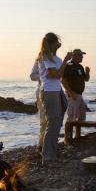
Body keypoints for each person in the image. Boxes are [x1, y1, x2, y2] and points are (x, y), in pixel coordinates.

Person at [36, 33, 72, 162]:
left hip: (57, 90)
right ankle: (48, 156)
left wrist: (64, 61)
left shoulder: (56, 58)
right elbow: (55, 75)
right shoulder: (45, 56)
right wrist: (65, 61)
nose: (59, 43)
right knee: (53, 122)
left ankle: (52, 151)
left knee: (57, 121)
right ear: (52, 43)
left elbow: (60, 76)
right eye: (57, 41)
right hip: (49, 91)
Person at [62, 49, 91, 136]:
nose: (82, 57)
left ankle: (77, 135)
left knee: (81, 115)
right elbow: (63, 80)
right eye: (80, 55)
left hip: (79, 95)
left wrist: (87, 72)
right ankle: (68, 137)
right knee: (71, 116)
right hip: (73, 94)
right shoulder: (69, 66)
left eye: (82, 56)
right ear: (75, 56)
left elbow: (86, 79)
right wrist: (70, 93)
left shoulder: (80, 67)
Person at [29, 60, 44, 150]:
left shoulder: (56, 59)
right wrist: (43, 76)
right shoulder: (39, 59)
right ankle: (41, 145)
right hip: (41, 92)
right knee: (44, 120)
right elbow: (32, 76)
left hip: (54, 92)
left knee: (52, 120)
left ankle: (49, 143)